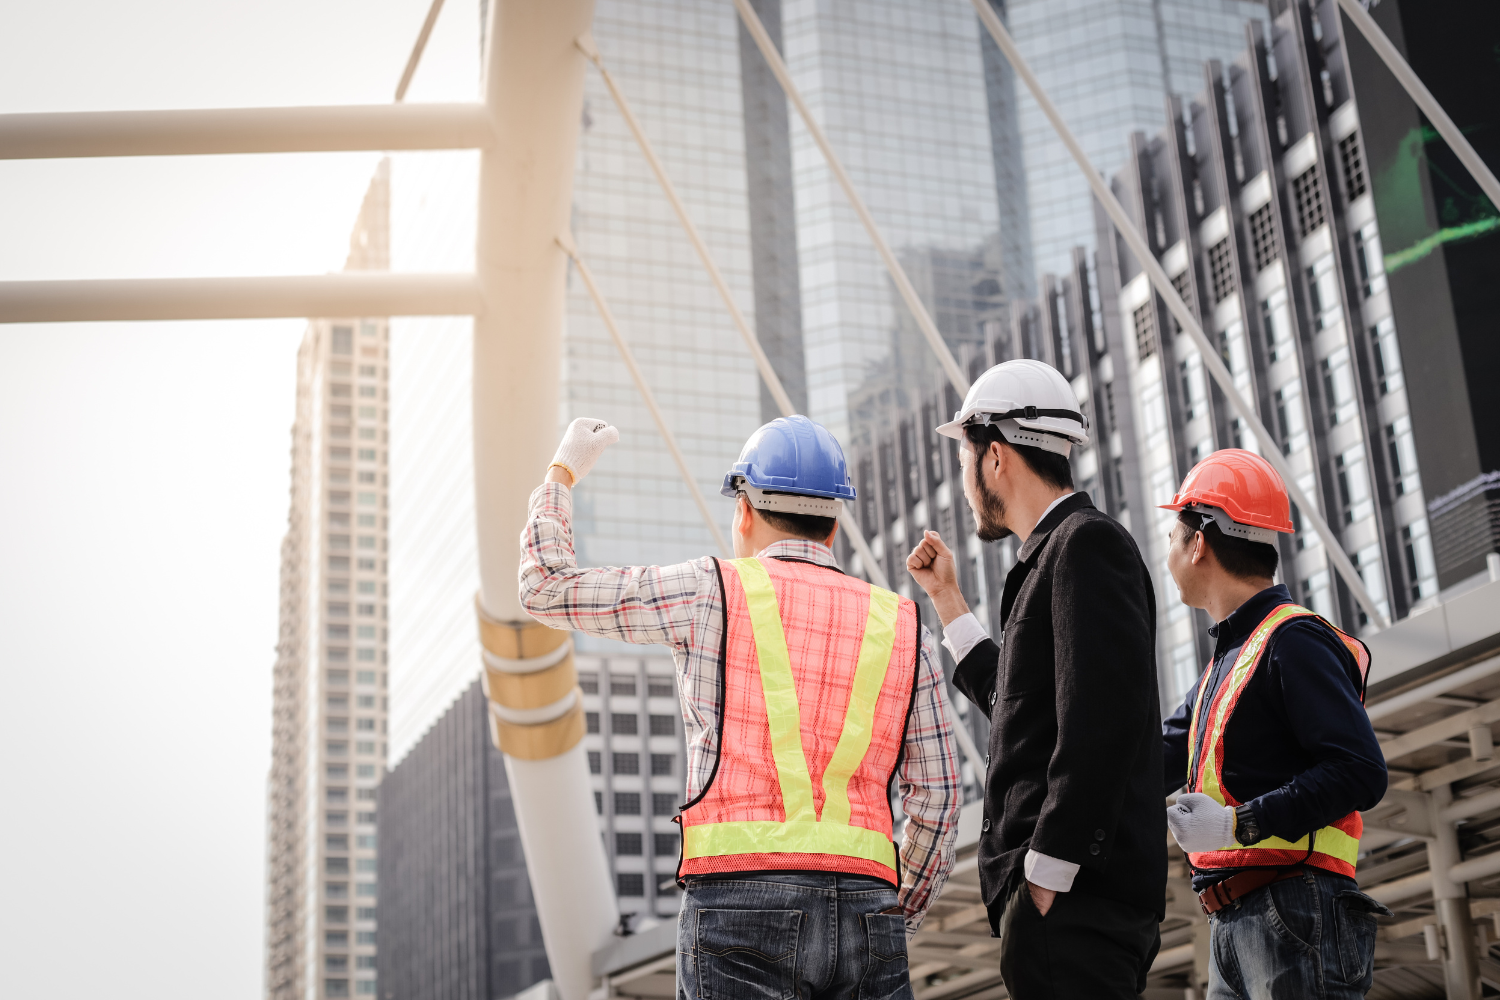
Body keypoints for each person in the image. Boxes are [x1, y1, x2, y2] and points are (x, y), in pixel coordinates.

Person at [519, 414, 961, 1000]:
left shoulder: (710, 591)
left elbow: (544, 586)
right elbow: (939, 795)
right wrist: (892, 911)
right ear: (832, 526)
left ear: (744, 510)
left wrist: (561, 473)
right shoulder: (902, 624)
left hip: (737, 904)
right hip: (867, 906)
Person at [905, 358, 1166, 998]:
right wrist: (947, 602)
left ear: (994, 457)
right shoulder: (1059, 551)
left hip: (1071, 900)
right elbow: (1023, 709)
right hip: (1063, 902)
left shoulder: (1085, 545)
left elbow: (1102, 719)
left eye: (965, 461)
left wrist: (1046, 873)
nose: (965, 483)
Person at [1158, 449, 1391, 998]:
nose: (1166, 552)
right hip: (1238, 923)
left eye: (1173, 535)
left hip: (1296, 911)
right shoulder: (1227, 664)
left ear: (1199, 542)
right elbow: (1146, 760)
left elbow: (1360, 771)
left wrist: (1238, 826)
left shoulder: (1293, 640)